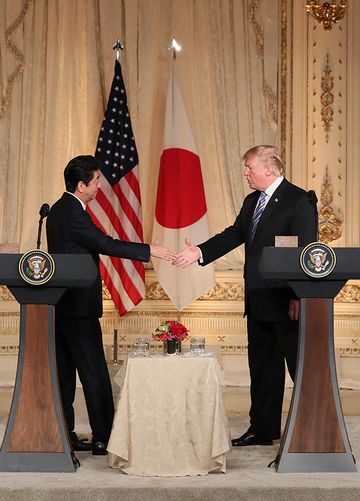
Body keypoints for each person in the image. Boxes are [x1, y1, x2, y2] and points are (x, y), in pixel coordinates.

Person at [173, 145, 317, 446]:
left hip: (287, 300)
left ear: (270, 169)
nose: (246, 173)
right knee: (262, 368)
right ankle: (262, 430)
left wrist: (298, 297)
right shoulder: (253, 201)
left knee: (300, 369)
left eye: (250, 167)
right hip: (259, 299)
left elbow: (304, 252)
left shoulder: (298, 200)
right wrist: (199, 251)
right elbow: (234, 234)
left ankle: (311, 429)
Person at [46, 155, 175, 455]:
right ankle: (104, 437)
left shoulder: (59, 209)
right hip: (78, 307)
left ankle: (65, 434)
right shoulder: (72, 212)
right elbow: (104, 244)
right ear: (81, 185)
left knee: (64, 373)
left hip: (61, 305)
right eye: (96, 181)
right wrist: (148, 249)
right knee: (94, 373)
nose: (100, 186)